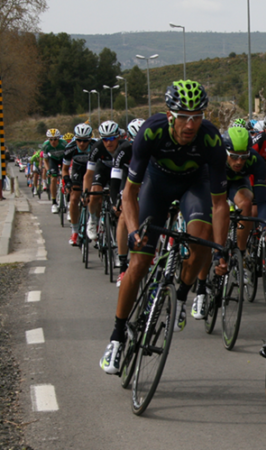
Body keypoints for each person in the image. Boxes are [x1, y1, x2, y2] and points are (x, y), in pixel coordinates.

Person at [100, 79, 229, 375]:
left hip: (194, 186)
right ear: (170, 115)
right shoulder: (151, 131)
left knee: (202, 238)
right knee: (140, 262)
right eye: (183, 116)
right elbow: (129, 193)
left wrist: (221, 251)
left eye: (197, 116)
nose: (190, 124)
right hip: (155, 186)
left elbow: (220, 204)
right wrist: (134, 232)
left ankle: (181, 295)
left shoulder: (210, 140)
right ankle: (117, 338)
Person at [191, 127, 266, 319]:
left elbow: (262, 201)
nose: (239, 161)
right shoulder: (213, 157)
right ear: (225, 151)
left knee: (247, 203)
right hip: (213, 183)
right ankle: (200, 291)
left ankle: (239, 253)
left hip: (237, 184)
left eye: (243, 157)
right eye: (233, 156)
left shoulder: (256, 161)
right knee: (208, 235)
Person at [110, 119, 145, 286]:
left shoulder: (154, 148)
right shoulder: (123, 151)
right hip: (127, 181)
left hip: (146, 182)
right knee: (124, 215)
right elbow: (115, 179)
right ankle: (123, 266)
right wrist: (115, 200)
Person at [83, 121, 130, 241]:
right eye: (104, 139)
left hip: (120, 171)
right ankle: (93, 220)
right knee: (95, 192)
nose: (108, 142)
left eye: (112, 138)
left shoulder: (124, 146)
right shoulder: (97, 148)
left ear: (118, 137)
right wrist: (86, 192)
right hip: (103, 169)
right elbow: (89, 174)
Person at [62, 123, 94, 246]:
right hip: (77, 170)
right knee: (74, 198)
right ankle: (75, 232)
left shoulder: (95, 146)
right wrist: (67, 181)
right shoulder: (70, 148)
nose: (82, 143)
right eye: (79, 140)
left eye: (85, 140)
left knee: (94, 196)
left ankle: (94, 223)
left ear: (90, 139)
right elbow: (65, 169)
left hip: (93, 170)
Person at [41, 128, 67, 213]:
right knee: (53, 178)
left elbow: (69, 158)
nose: (53, 141)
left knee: (66, 176)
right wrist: (48, 170)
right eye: (51, 139)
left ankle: (68, 199)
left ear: (58, 138)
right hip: (53, 160)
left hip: (63, 159)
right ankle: (54, 203)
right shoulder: (45, 145)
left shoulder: (64, 144)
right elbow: (45, 160)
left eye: (55, 139)